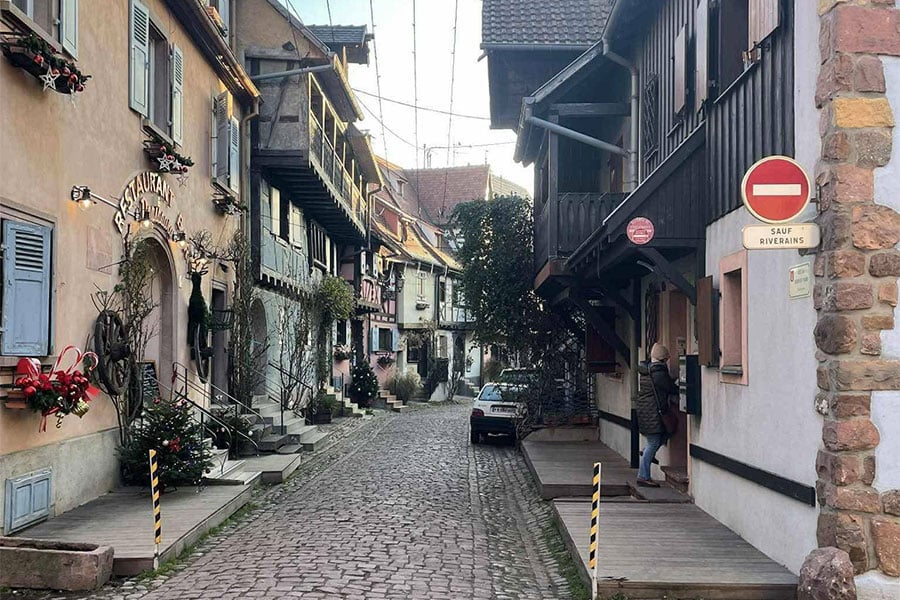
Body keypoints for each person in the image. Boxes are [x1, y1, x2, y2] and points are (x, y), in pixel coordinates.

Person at [635, 343, 678, 487]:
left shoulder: (647, 370)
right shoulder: (658, 373)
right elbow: (671, 388)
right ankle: (643, 476)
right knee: (655, 442)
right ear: (663, 359)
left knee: (663, 436)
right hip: (654, 413)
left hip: (647, 411)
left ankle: (647, 453)